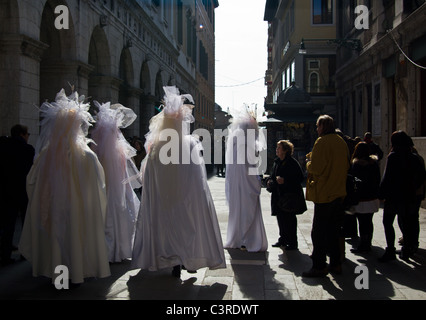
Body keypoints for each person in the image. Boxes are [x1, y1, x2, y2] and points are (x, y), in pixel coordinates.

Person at [131, 86, 226, 278]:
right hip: (182, 201)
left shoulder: (156, 148)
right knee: (184, 226)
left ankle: (172, 259)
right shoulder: (187, 145)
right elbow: (198, 182)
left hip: (164, 202)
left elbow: (147, 178)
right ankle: (183, 259)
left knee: (167, 227)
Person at [19, 89, 111, 284]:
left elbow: (32, 181)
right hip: (78, 209)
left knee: (57, 239)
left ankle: (58, 275)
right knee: (74, 238)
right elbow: (98, 187)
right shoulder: (87, 156)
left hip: (54, 206)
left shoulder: (46, 154)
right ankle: (73, 273)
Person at [90, 101, 141, 263]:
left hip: (102, 189)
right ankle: (119, 247)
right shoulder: (119, 150)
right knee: (120, 213)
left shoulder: (95, 149)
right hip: (119, 189)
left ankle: (105, 249)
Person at [302, 115, 349, 277]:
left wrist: (308, 162)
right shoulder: (340, 141)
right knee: (334, 231)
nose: (316, 129)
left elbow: (317, 168)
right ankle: (335, 263)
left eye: (318, 126)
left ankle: (319, 265)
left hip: (325, 193)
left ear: (323, 127)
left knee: (319, 232)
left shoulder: (322, 142)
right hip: (338, 192)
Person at [224, 107, 267, 252]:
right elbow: (252, 163)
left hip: (237, 182)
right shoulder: (246, 141)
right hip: (246, 181)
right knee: (249, 210)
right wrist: (256, 180)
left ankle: (238, 238)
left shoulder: (235, 139)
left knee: (237, 211)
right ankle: (249, 239)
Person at [378, 131, 426, 262]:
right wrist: (413, 187)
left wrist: (381, 194)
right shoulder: (414, 157)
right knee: (406, 222)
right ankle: (407, 249)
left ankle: (390, 250)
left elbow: (387, 177)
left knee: (388, 222)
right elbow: (422, 175)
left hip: (393, 196)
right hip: (408, 196)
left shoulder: (393, 156)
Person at [0, 124, 35, 266]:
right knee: (27, 223)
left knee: (8, 224)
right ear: (22, 134)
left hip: (6, 191)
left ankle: (5, 252)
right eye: (28, 134)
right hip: (22, 191)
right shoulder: (28, 149)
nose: (28, 137)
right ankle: (25, 251)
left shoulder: (3, 146)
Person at [267, 140, 306, 251]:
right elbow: (272, 175)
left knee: (289, 219)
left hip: (289, 197)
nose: (277, 150)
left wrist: (285, 180)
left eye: (279, 148)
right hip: (279, 196)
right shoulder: (277, 161)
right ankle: (283, 239)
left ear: (285, 150)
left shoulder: (292, 163)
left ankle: (293, 242)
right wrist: (270, 181)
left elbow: (299, 178)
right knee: (281, 218)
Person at [348, 142, 381, 253]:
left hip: (361, 198)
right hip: (372, 197)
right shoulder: (374, 164)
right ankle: (368, 242)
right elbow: (377, 179)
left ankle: (364, 244)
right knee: (369, 221)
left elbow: (355, 180)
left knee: (362, 222)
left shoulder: (356, 165)